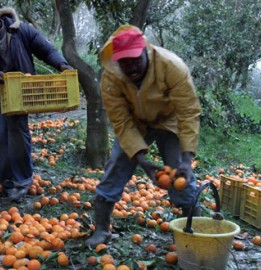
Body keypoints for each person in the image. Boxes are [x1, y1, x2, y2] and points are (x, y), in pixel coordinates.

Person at [84, 25, 202, 248]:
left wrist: (187, 159)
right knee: (117, 164)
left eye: (135, 59)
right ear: (116, 61)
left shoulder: (171, 67)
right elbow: (120, 120)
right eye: (124, 62)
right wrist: (141, 161)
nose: (130, 67)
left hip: (169, 120)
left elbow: (188, 112)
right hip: (135, 123)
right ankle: (101, 229)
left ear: (145, 51)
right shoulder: (111, 77)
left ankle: (192, 230)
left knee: (180, 172)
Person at [0, 3, 72, 202]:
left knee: (17, 135)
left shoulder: (20, 30)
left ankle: (22, 181)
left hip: (19, 93)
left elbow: (46, 49)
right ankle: (7, 183)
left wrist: (62, 64)